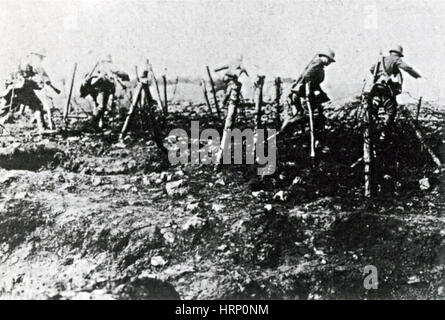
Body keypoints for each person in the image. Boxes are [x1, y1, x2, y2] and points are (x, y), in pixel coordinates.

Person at [280, 49, 336, 151]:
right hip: (302, 95)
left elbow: (315, 83)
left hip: (305, 94)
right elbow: (307, 77)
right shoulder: (317, 63)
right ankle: (288, 126)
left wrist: (323, 94)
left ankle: (316, 141)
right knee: (308, 116)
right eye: (329, 60)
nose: (329, 63)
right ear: (324, 57)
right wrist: (308, 93)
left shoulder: (320, 67)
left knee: (319, 117)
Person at [367, 45, 421, 140]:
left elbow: (372, 69)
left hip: (375, 89)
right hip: (384, 88)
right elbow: (407, 68)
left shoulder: (382, 60)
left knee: (373, 109)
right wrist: (417, 76)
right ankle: (383, 133)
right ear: (399, 54)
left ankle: (372, 130)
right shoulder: (395, 59)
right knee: (392, 111)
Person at [214, 56, 249, 165]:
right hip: (232, 84)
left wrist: (218, 71)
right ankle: (220, 157)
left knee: (229, 118)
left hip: (232, 84)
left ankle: (221, 156)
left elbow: (217, 68)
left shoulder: (233, 62)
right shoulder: (238, 64)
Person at [80, 55, 129, 130]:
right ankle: (93, 123)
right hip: (101, 88)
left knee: (99, 105)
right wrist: (126, 76)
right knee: (101, 106)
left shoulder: (96, 66)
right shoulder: (107, 66)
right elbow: (120, 72)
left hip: (94, 88)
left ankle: (99, 124)